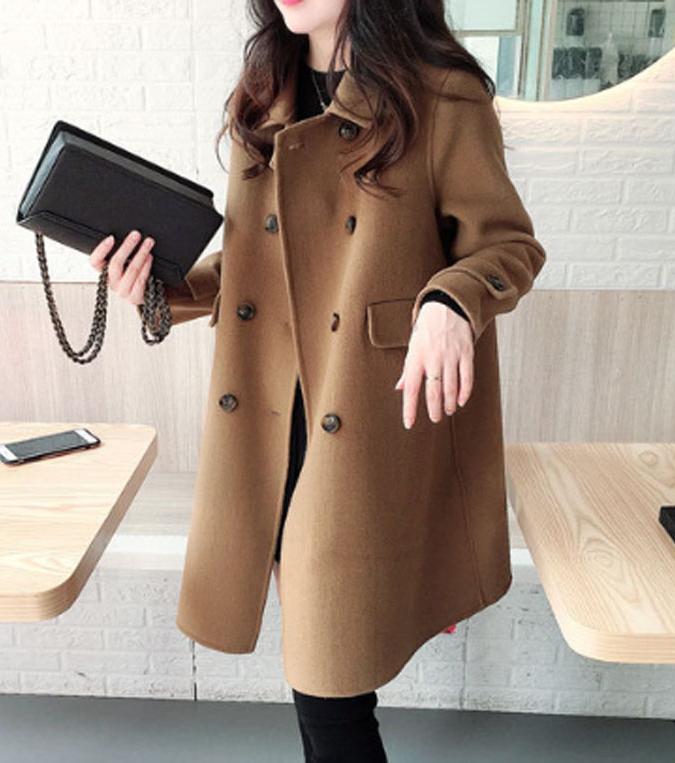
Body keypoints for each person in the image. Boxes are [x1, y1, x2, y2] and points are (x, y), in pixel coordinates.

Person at [88, 1, 547, 760]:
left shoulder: (440, 94)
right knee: (322, 684)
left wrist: (451, 301)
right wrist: (162, 287)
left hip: (364, 420)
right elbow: (257, 262)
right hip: (271, 420)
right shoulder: (264, 89)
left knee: (328, 684)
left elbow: (508, 245)